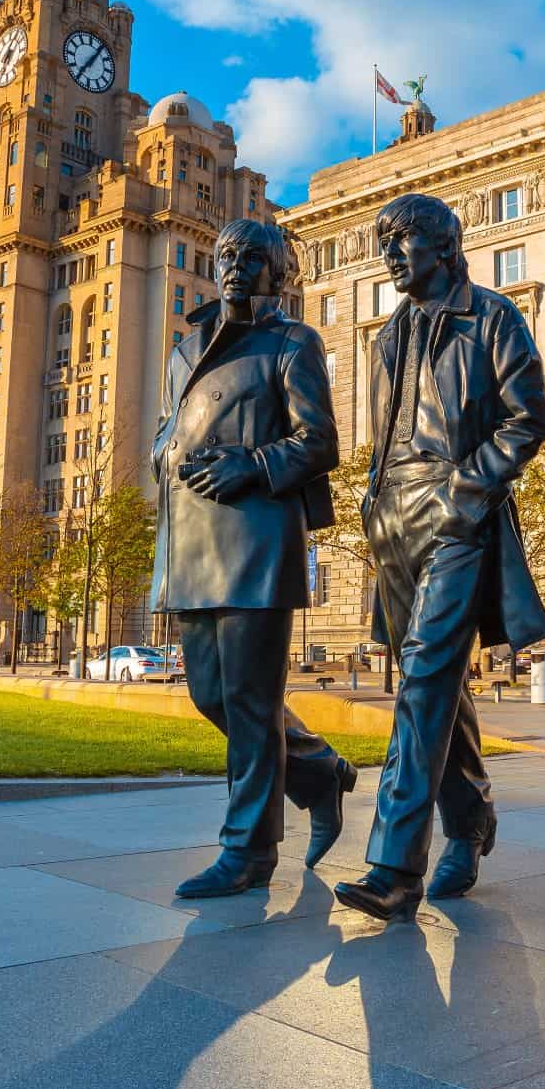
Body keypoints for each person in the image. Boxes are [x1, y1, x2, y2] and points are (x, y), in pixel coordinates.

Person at [333, 193, 545, 921]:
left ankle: (394, 865)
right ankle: (471, 817)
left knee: (424, 677)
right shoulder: (385, 336)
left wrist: (469, 486)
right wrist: (371, 503)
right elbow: (382, 432)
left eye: (404, 242)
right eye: (384, 245)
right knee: (440, 684)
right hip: (393, 517)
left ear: (445, 245)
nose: (391, 256)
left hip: (457, 512)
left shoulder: (492, 315)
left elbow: (530, 417)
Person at [150, 218, 358, 898]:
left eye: (250, 256)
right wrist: (164, 452)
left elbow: (319, 441)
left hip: (255, 540)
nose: (235, 264)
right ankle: (321, 771)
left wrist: (251, 464)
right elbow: (169, 424)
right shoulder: (186, 349)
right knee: (213, 693)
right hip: (191, 541)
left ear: (277, 270)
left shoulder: (292, 340)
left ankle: (249, 849)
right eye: (226, 253)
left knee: (248, 699)